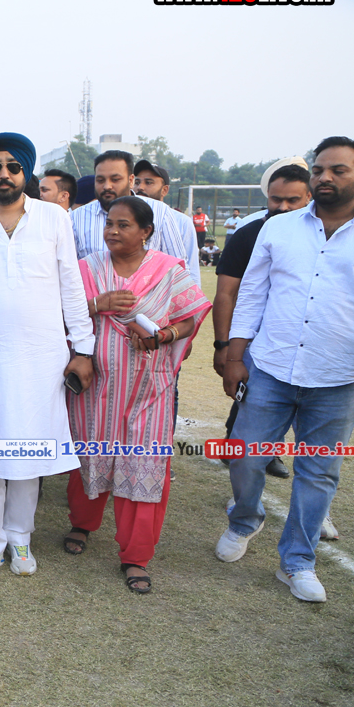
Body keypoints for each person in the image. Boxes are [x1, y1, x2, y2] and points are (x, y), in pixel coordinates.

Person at [0, 132, 94, 583]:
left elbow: (71, 286)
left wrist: (83, 348)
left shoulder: (53, 218)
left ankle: (20, 538)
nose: (4, 174)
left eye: (13, 167)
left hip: (41, 357)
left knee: (31, 451)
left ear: (25, 171)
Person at [217, 136, 354, 602]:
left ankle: (297, 561)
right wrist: (234, 357)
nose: (325, 177)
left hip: (338, 378)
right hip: (270, 367)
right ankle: (244, 520)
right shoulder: (277, 228)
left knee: (319, 474)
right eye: (319, 169)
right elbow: (251, 295)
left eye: (338, 169)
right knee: (244, 456)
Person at [65, 196, 210, 593]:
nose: (112, 231)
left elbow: (189, 318)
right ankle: (83, 523)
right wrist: (97, 304)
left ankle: (136, 555)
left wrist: (163, 335)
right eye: (109, 224)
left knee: (143, 464)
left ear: (146, 231)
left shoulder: (168, 270)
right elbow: (63, 314)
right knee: (90, 454)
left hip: (149, 389)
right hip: (95, 388)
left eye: (123, 225)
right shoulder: (87, 268)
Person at [211, 163, 312, 485]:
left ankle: (269, 451)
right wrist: (223, 346)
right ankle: (239, 447)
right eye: (276, 199)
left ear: (308, 198)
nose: (282, 207)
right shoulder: (249, 234)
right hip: (253, 341)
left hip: (306, 344)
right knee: (252, 403)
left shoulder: (326, 237)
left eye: (292, 200)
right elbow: (226, 293)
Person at [72, 152, 200, 285]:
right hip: (94, 298)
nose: (107, 186)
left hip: (149, 298)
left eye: (115, 179)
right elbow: (70, 273)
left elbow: (178, 270)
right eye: (100, 180)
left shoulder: (160, 212)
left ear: (131, 180)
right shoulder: (77, 218)